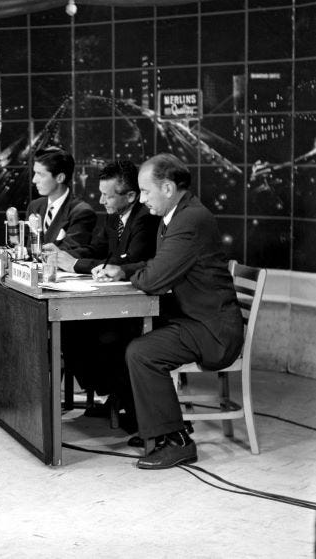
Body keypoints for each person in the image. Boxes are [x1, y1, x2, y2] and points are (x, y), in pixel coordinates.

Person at [96, 153, 243, 469]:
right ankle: (152, 423)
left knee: (142, 351)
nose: (143, 199)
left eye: (146, 192)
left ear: (166, 188)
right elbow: (155, 267)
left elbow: (153, 279)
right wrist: (123, 270)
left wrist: (134, 273)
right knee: (126, 337)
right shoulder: (178, 215)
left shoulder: (189, 221)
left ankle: (176, 441)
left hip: (213, 330)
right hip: (197, 318)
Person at [55, 161, 160, 426]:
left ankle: (131, 408)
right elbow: (96, 250)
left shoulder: (145, 220)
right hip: (122, 305)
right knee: (70, 330)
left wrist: (76, 265)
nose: (101, 200)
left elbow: (127, 263)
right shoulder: (114, 217)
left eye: (108, 195)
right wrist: (62, 257)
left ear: (131, 196)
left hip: (143, 308)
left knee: (104, 338)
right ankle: (114, 395)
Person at [26, 146, 96, 254]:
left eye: (40, 174)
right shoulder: (35, 206)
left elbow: (66, 256)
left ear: (60, 178)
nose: (34, 180)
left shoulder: (81, 212)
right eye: (35, 173)